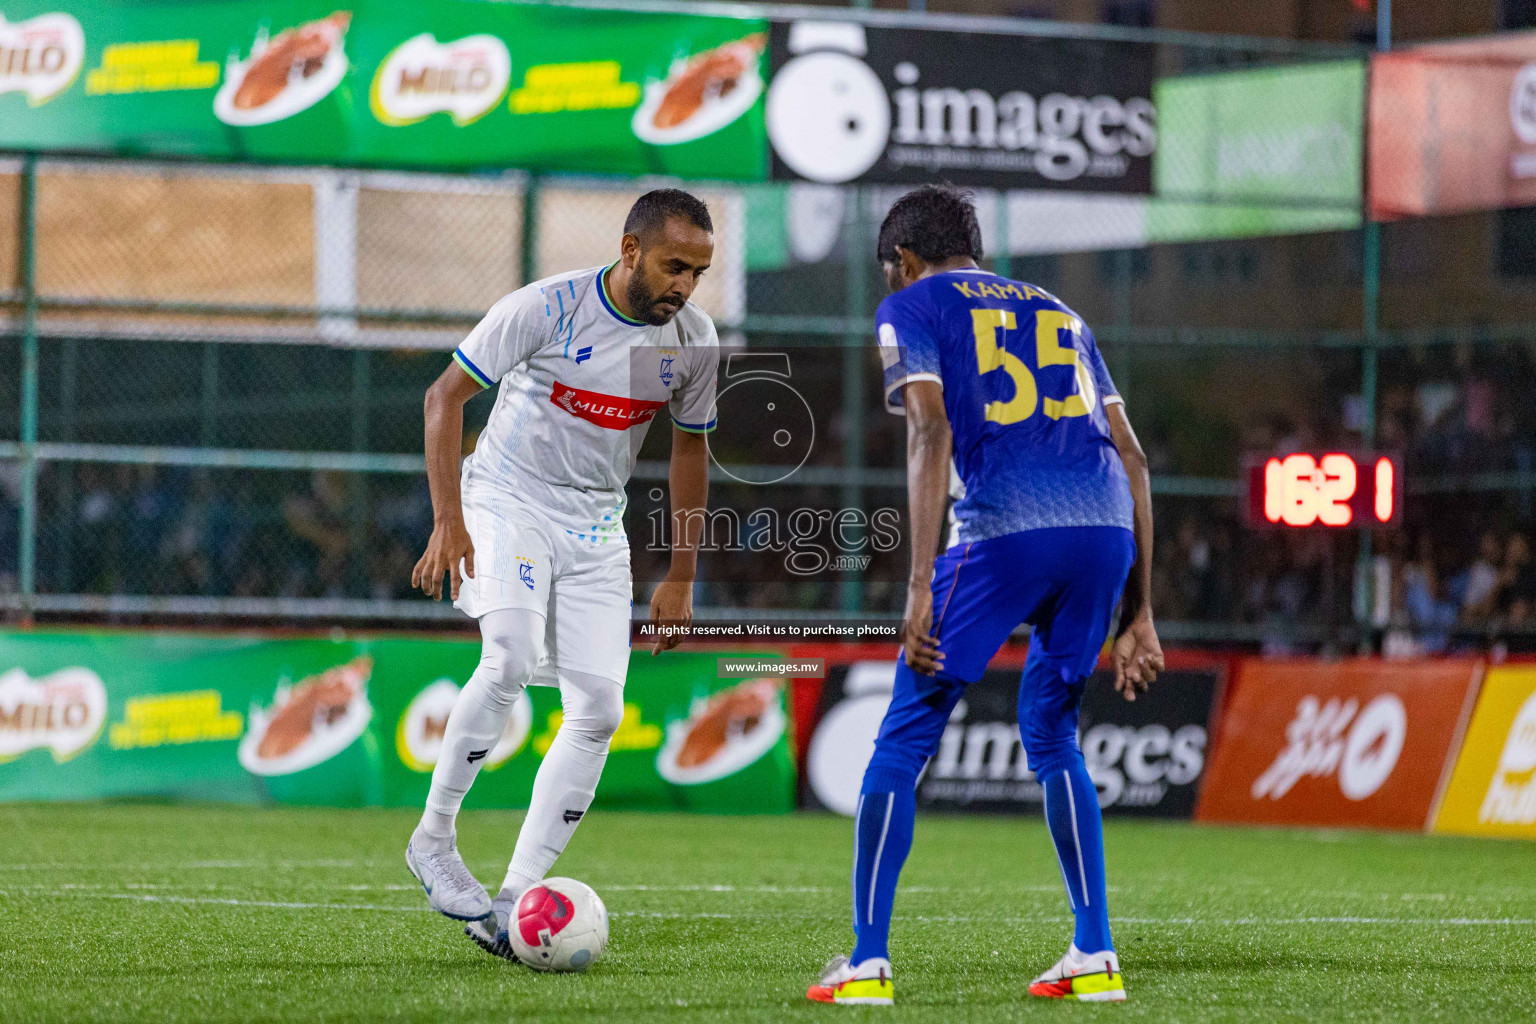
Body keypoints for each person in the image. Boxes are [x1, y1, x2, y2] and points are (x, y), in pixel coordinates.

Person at [807, 186, 1163, 1006]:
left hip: (1003, 529)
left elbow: (929, 430)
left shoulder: (912, 304)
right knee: (1051, 734)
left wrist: (919, 582)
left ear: (901, 261)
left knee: (904, 736)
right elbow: (1134, 457)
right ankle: (1093, 949)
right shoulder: (1061, 311)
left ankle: (866, 961)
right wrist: (1140, 610)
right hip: (1107, 529)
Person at [405, 189, 719, 959]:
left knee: (601, 710)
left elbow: (689, 451)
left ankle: (512, 902)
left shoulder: (693, 341)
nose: (684, 285)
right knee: (507, 655)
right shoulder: (547, 308)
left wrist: (680, 573)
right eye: (675, 266)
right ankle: (434, 839)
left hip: (595, 526)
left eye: (699, 272)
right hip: (506, 498)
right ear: (630, 249)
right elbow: (444, 398)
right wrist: (450, 520)